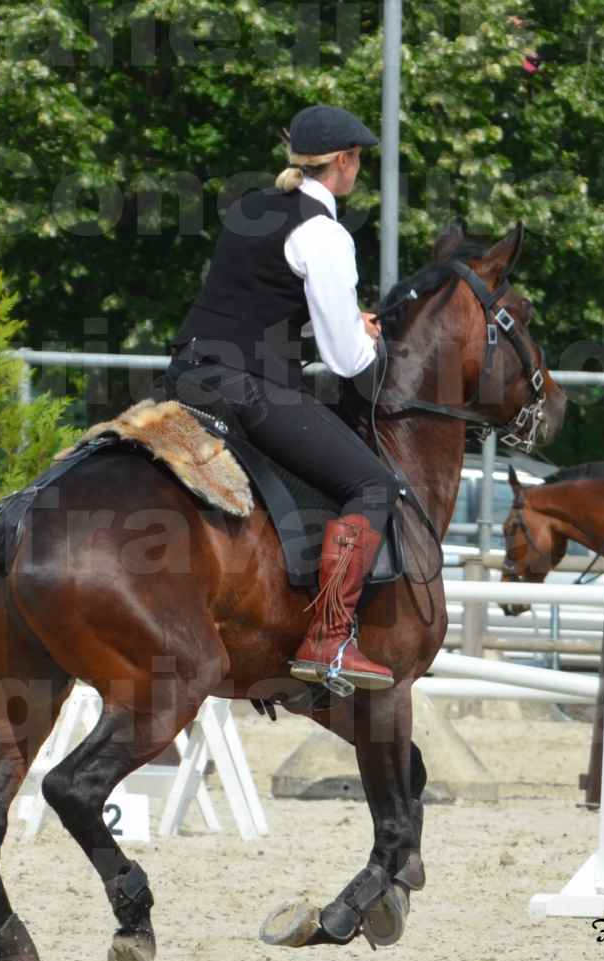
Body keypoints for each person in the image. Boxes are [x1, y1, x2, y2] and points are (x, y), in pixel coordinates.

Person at [169, 103, 400, 693]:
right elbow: (346, 360)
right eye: (358, 162)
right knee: (373, 485)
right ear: (344, 163)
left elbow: (258, 302)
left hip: (188, 374)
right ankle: (329, 640)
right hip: (247, 387)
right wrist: (367, 337)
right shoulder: (323, 234)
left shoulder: (249, 208)